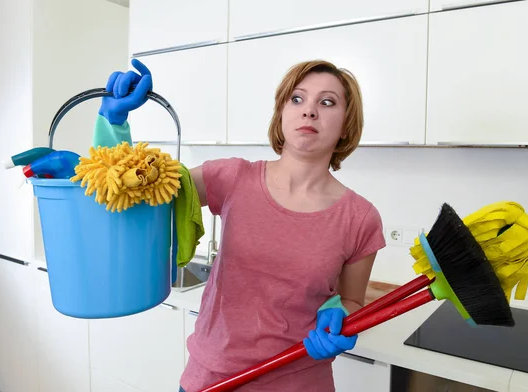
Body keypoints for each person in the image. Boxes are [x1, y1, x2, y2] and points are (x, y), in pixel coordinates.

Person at [97, 58, 386, 391]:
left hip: (300, 381)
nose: (309, 110)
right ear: (281, 114)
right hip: (212, 379)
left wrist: (342, 318)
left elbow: (352, 300)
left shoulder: (360, 217)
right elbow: (138, 193)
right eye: (297, 98)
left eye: (327, 102)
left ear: (347, 124)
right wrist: (113, 122)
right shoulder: (233, 177)